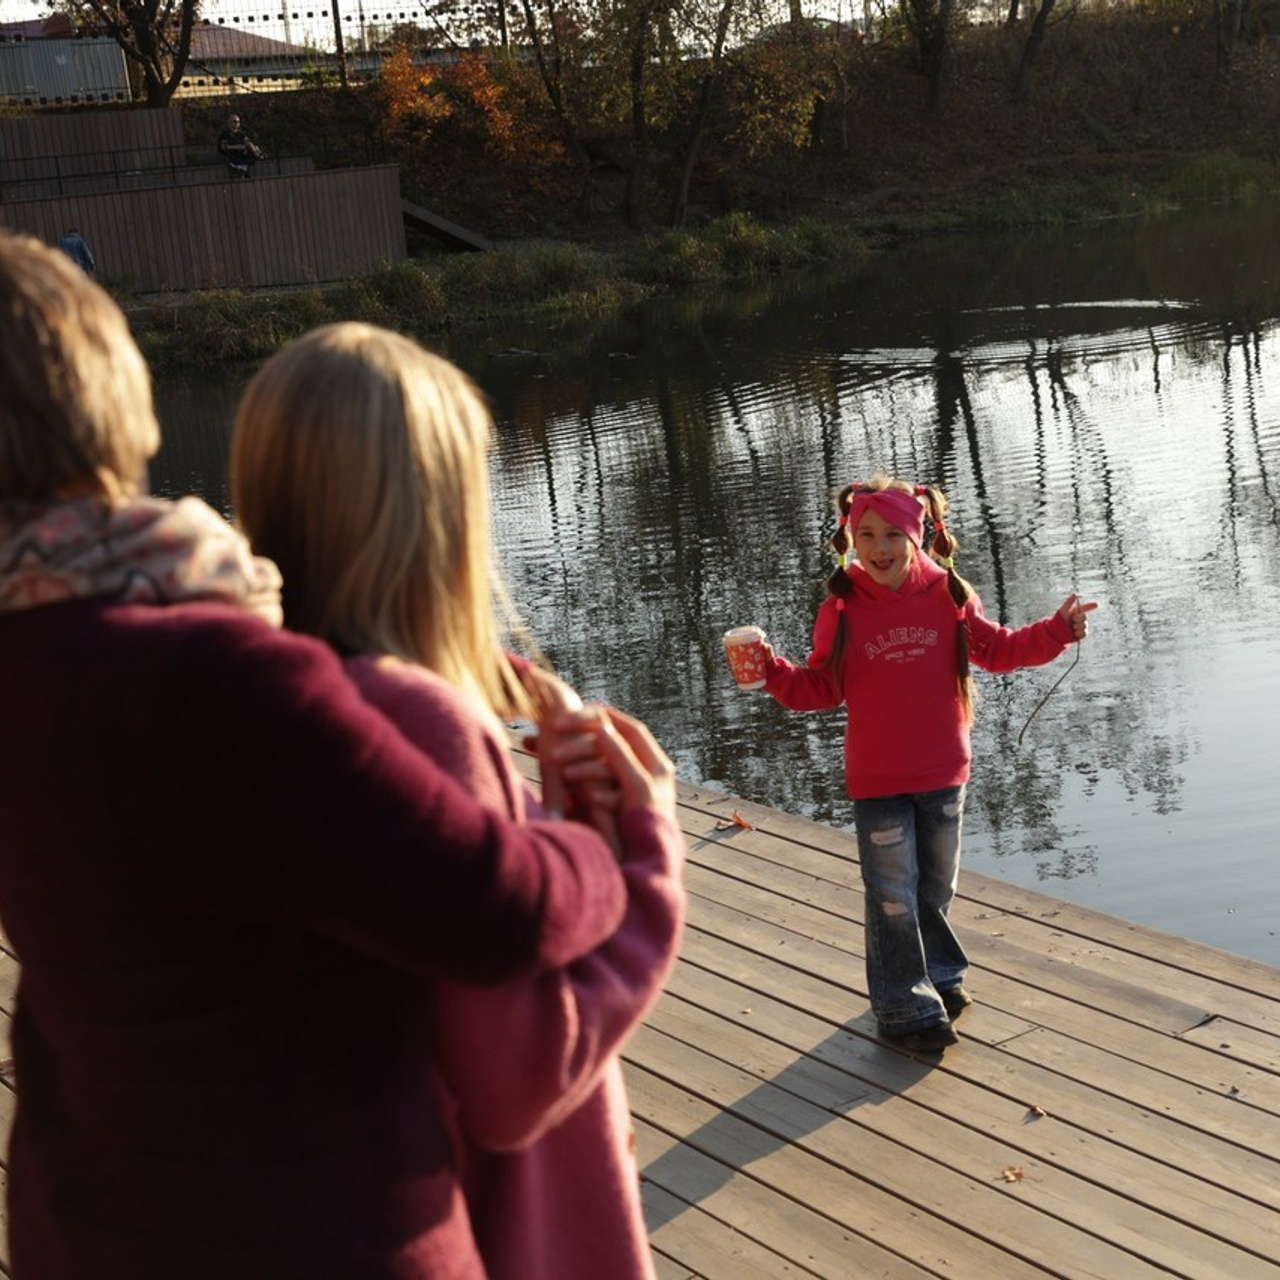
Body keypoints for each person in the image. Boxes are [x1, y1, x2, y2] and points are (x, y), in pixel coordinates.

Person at [0, 231, 671, 1278]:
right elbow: (499, 935)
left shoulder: (46, 661)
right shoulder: (223, 678)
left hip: (81, 1212)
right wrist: (628, 846)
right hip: (322, 1227)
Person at [230, 322, 686, 1280]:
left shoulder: (242, 704)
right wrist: (642, 856)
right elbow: (518, 1079)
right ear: (436, 520)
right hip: (495, 1230)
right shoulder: (424, 729)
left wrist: (533, 765)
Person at [759, 476, 1096, 1054]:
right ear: (849, 539)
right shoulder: (841, 610)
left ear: (918, 537)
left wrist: (1056, 632)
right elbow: (820, 686)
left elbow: (998, 649)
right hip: (879, 779)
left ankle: (939, 975)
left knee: (935, 887)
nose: (879, 546)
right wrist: (770, 670)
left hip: (944, 772)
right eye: (865, 534)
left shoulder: (949, 595)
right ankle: (903, 1007)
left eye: (892, 533)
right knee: (892, 894)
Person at [217, 112, 263, 178]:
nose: (237, 124)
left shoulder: (241, 134)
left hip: (242, 156)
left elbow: (247, 142)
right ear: (229, 122)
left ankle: (256, 153)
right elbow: (223, 147)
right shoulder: (225, 135)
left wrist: (250, 147)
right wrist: (238, 147)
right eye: (234, 121)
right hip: (232, 157)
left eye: (238, 122)